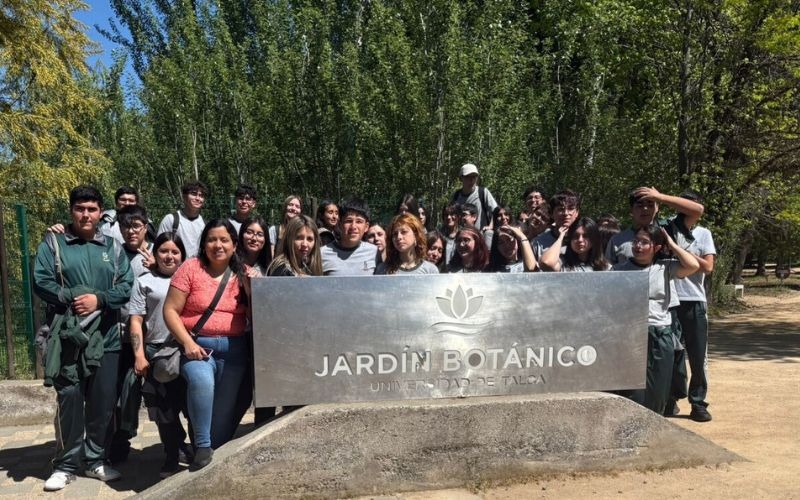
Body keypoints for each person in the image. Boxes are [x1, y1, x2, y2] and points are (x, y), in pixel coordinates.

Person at [34, 185, 134, 491]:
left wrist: (100, 300)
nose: (86, 214)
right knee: (70, 400)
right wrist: (73, 296)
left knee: (103, 403)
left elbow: (126, 285)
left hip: (106, 339)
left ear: (101, 212)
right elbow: (41, 280)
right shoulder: (55, 242)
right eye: (80, 209)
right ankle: (65, 464)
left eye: (92, 209)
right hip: (67, 339)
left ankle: (95, 460)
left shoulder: (113, 248)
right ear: (71, 211)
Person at [163, 219, 250, 469]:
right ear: (203, 243)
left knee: (221, 420)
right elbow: (170, 310)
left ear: (234, 245)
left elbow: (256, 317)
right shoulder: (190, 268)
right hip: (199, 348)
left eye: (224, 240)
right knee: (202, 383)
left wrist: (253, 289)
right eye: (212, 239)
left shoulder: (243, 273)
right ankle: (201, 446)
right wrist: (188, 343)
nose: (218, 245)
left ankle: (210, 455)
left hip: (235, 351)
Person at [612, 224, 699, 415]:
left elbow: (693, 266)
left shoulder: (666, 267)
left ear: (656, 247)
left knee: (659, 388)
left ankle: (655, 424)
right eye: (636, 241)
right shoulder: (619, 269)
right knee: (633, 390)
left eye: (644, 242)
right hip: (631, 335)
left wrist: (671, 243)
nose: (638, 246)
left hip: (660, 332)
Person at [127, 232, 193, 478]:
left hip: (185, 349)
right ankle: (172, 454)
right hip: (156, 353)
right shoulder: (145, 281)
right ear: (155, 254)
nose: (169, 256)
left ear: (182, 256)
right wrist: (139, 355)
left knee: (191, 406)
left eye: (175, 252)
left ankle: (196, 449)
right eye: (164, 251)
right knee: (164, 412)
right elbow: (135, 320)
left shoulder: (190, 279)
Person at [671, 192, 716, 422]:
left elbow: (708, 267)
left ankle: (698, 402)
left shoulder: (703, 233)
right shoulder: (669, 229)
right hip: (670, 299)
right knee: (672, 354)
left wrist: (683, 253)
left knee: (698, 356)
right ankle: (670, 399)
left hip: (695, 300)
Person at [320, 198, 379, 275]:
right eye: (348, 221)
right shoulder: (322, 253)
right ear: (340, 224)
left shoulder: (375, 253)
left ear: (366, 227)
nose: (353, 226)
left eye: (359, 221)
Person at [157, 180, 208, 259]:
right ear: (184, 196)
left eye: (201, 195)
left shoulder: (205, 224)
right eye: (194, 194)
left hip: (197, 268)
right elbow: (159, 246)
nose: (198, 198)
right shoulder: (171, 220)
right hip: (175, 269)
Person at [539, 217, 609, 272]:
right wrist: (561, 237)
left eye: (585, 236)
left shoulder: (604, 266)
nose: (580, 240)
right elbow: (546, 262)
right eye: (575, 236)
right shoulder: (562, 262)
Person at [531, 189, 581, 260]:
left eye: (570, 208)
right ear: (551, 214)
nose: (566, 213)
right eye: (560, 209)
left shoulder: (585, 240)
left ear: (577, 213)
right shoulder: (538, 243)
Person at [451, 163, 498, 231]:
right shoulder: (456, 196)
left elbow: (496, 210)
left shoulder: (482, 192)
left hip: (480, 236)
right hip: (460, 236)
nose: (471, 180)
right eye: (468, 177)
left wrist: (491, 226)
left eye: (474, 177)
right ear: (461, 178)